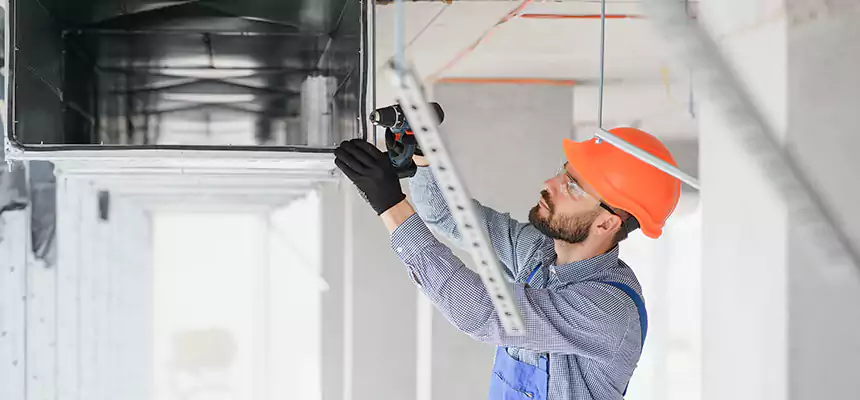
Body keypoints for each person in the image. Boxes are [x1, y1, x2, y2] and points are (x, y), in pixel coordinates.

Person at [334, 127, 682, 400]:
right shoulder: (540, 255)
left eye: (572, 187)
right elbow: (446, 214)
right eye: (563, 173)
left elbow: (485, 313)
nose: (550, 185)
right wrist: (423, 155)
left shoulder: (607, 311)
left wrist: (391, 206)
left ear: (606, 223)